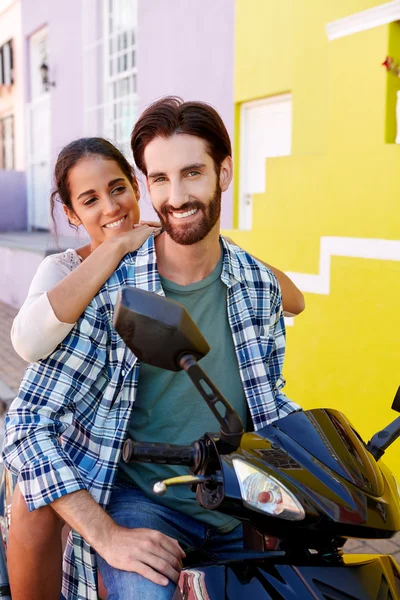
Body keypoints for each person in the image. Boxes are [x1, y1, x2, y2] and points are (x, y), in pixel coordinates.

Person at [3, 97, 302, 600]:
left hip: (235, 507)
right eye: (161, 179)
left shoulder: (256, 286)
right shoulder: (103, 291)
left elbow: (269, 398)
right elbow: (27, 427)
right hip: (143, 505)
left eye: (193, 173)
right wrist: (107, 535)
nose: (178, 195)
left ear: (224, 174)